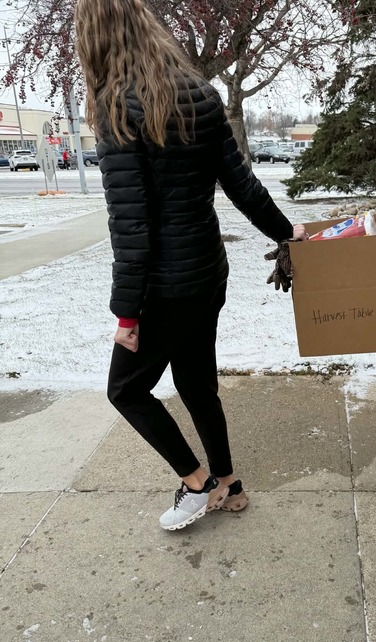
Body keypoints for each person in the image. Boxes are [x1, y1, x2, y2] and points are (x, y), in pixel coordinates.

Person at [74, 0, 306, 530]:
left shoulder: (117, 107)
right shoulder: (201, 94)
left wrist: (127, 314)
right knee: (197, 382)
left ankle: (196, 483)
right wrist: (285, 231)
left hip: (165, 286)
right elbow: (242, 184)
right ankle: (229, 485)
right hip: (207, 275)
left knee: (126, 390)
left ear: (96, 38)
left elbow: (130, 226)